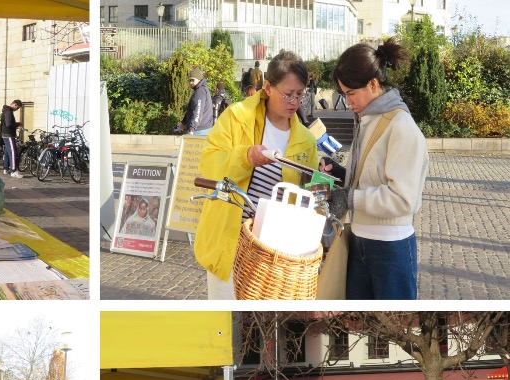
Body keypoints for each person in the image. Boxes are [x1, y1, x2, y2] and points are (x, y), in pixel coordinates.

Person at [197, 51, 318, 299]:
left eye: (299, 94)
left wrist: (319, 180)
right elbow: (209, 163)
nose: (294, 101)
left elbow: (309, 196)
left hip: (275, 250)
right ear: (268, 87)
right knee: (227, 321)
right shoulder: (237, 116)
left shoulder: (305, 140)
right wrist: (247, 157)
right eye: (288, 94)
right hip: (232, 240)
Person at [320, 39, 427, 300]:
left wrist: (350, 198)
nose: (347, 101)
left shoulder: (401, 126)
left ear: (373, 84)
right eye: (344, 94)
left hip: (391, 248)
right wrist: (338, 173)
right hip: (358, 242)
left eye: (350, 93)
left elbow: (403, 199)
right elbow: (370, 173)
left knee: (392, 326)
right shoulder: (367, 119)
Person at [176, 67, 214, 135]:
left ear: (199, 79)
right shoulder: (202, 90)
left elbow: (198, 110)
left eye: (193, 80)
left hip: (199, 130)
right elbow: (191, 110)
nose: (191, 82)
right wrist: (183, 122)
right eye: (189, 80)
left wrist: (191, 128)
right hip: (203, 128)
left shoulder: (200, 92)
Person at [0, 98, 24, 179]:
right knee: (13, 152)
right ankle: (13, 171)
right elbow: (9, 124)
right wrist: (17, 124)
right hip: (8, 134)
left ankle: (6, 168)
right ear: (14, 104)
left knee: (7, 151)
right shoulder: (8, 112)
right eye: (17, 108)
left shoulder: (5, 110)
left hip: (5, 134)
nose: (17, 110)